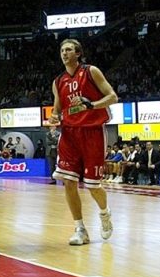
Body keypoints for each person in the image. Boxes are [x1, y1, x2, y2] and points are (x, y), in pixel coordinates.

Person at [47, 39, 117, 246]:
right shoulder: (58, 81)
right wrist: (54, 120)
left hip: (92, 132)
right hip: (69, 134)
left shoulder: (91, 71)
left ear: (78, 53)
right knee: (68, 181)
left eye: (68, 49)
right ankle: (80, 228)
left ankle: (104, 214)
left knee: (93, 185)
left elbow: (112, 97)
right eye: (62, 50)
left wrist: (91, 104)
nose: (64, 53)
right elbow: (57, 110)